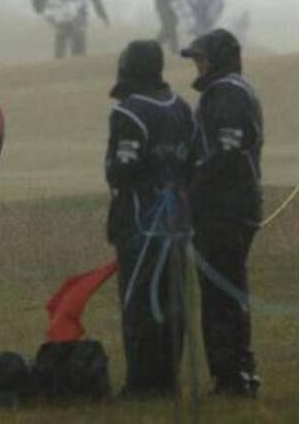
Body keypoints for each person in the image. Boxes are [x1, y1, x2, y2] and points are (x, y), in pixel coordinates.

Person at [104, 40, 194, 398]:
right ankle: (168, 380)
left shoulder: (129, 113)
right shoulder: (183, 108)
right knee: (173, 302)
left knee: (140, 304)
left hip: (140, 224)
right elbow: (192, 162)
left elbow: (120, 171)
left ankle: (143, 384)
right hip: (178, 223)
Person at [181, 28, 263, 398]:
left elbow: (226, 150)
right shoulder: (230, 90)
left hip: (224, 210)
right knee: (226, 292)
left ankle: (232, 378)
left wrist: (191, 187)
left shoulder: (227, 92)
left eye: (201, 57)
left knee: (220, 296)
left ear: (218, 58)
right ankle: (238, 373)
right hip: (230, 207)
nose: (197, 64)